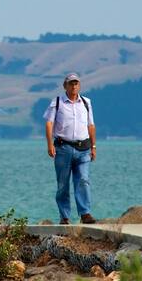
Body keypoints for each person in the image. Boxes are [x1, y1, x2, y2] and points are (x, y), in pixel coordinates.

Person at [43, 72, 97, 224]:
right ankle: (65, 216)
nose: (74, 86)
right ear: (65, 86)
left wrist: (93, 146)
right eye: (71, 83)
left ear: (79, 85)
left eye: (76, 83)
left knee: (83, 180)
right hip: (63, 148)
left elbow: (91, 125)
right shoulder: (57, 102)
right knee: (63, 184)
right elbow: (49, 123)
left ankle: (85, 213)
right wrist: (49, 144)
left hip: (83, 148)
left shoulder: (86, 102)